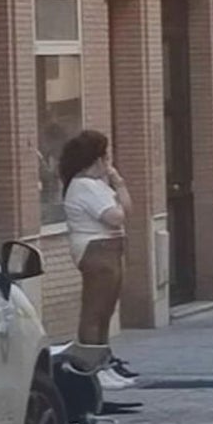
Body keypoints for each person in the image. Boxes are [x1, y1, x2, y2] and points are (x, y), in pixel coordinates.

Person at [59, 130, 138, 389]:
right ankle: (90, 368)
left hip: (111, 248)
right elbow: (115, 216)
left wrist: (119, 184)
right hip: (96, 249)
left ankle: (103, 362)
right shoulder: (83, 186)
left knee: (106, 311)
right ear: (95, 159)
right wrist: (119, 190)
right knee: (94, 311)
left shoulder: (98, 185)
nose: (108, 163)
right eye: (105, 157)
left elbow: (126, 209)